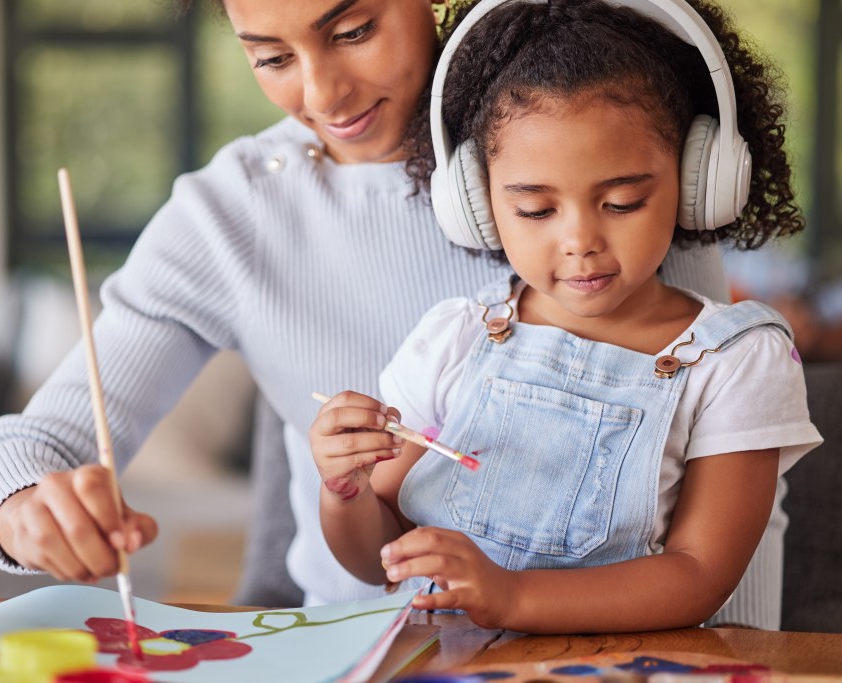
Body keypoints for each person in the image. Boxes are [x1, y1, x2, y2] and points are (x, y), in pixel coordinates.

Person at [0, 0, 756, 621]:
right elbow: (37, 444)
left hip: (631, 638)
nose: (322, 93)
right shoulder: (227, 217)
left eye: (352, 29)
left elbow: (724, 482)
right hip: (366, 639)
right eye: (271, 57)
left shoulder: (597, 138)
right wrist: (26, 512)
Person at [310, 0, 822, 632]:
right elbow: (378, 559)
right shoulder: (455, 339)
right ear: (476, 202)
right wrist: (345, 491)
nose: (580, 240)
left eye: (623, 201)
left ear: (697, 180)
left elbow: (698, 575)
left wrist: (514, 596)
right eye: (535, 210)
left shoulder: (735, 361)